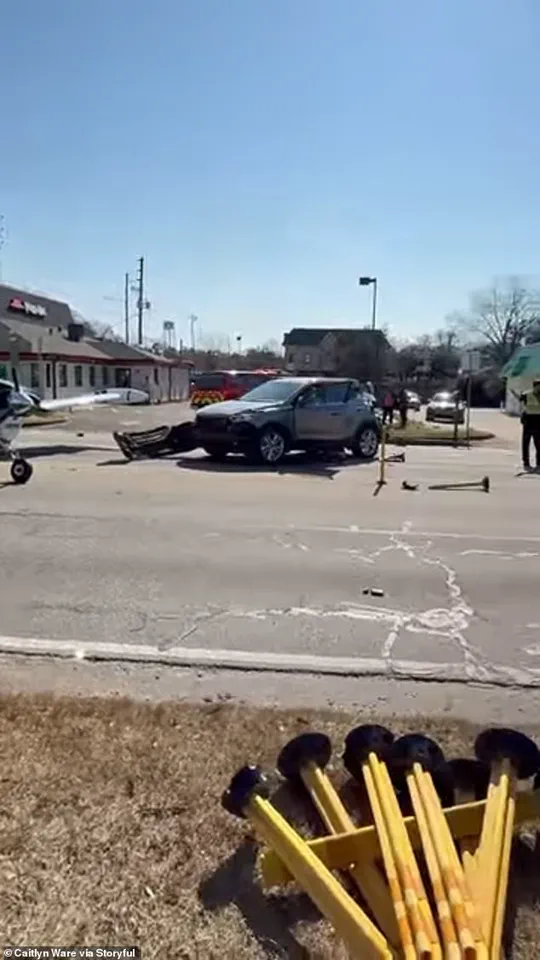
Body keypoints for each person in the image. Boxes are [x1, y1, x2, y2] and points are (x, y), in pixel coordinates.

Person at [517, 378, 540, 472]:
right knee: (525, 443)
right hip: (528, 421)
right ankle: (526, 463)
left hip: (538, 422)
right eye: (538, 386)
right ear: (535, 386)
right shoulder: (526, 394)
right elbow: (521, 405)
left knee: (539, 444)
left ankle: (539, 464)